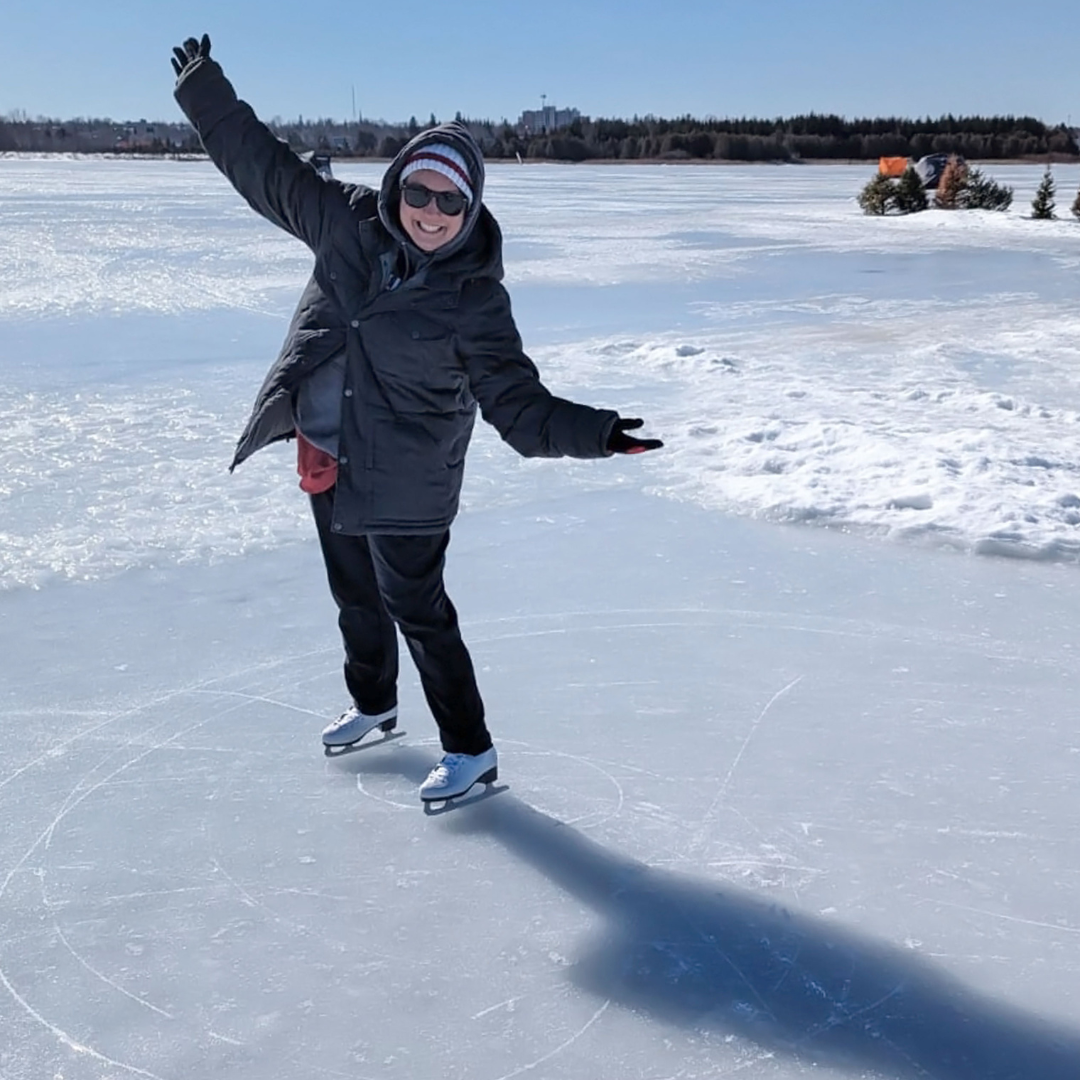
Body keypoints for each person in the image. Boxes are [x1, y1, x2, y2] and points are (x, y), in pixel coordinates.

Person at [170, 35, 663, 802]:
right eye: (420, 193)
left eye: (451, 201)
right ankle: (374, 704)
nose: (431, 213)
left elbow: (517, 404)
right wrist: (205, 92)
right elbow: (263, 169)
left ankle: (471, 751)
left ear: (470, 209)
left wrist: (594, 432)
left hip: (409, 479)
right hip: (329, 453)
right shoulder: (346, 224)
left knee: (419, 611)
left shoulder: (474, 300)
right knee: (354, 597)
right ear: (398, 184)